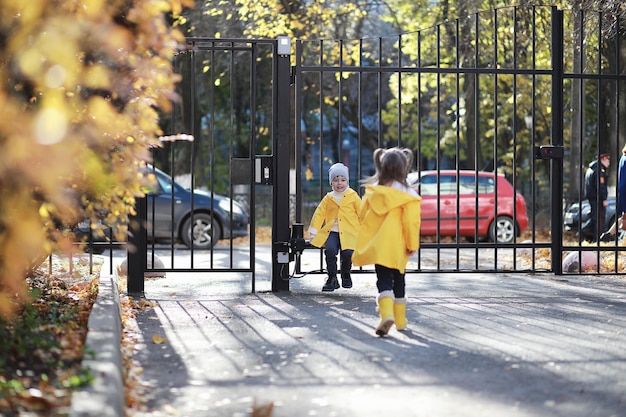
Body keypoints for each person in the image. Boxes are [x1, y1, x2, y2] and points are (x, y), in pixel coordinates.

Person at [352, 148, 421, 336]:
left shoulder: (373, 193)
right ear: (404, 168)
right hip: (399, 245)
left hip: (379, 244)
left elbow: (362, 214)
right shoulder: (409, 195)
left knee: (383, 279)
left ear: (380, 167)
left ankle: (386, 314)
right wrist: (412, 244)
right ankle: (400, 320)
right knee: (399, 279)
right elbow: (411, 223)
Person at [308, 163, 361, 292]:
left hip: (350, 231)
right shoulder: (329, 197)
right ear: (331, 182)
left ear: (347, 181)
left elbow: (362, 213)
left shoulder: (353, 196)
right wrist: (313, 231)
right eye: (335, 180)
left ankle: (346, 273)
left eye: (343, 180)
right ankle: (332, 277)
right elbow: (319, 213)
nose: (339, 183)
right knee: (330, 251)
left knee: (348, 253)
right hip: (333, 231)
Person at [600, 145, 626, 241]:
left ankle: (608, 234)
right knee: (624, 218)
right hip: (624, 190)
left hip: (623, 191)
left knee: (624, 217)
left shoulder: (623, 158)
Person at [584, 152, 609, 242]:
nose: (608, 162)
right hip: (597, 198)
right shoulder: (599, 171)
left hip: (592, 198)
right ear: (602, 160)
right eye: (607, 160)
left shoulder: (591, 169)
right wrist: (604, 198)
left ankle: (584, 233)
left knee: (595, 218)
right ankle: (599, 239)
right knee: (600, 220)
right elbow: (600, 187)